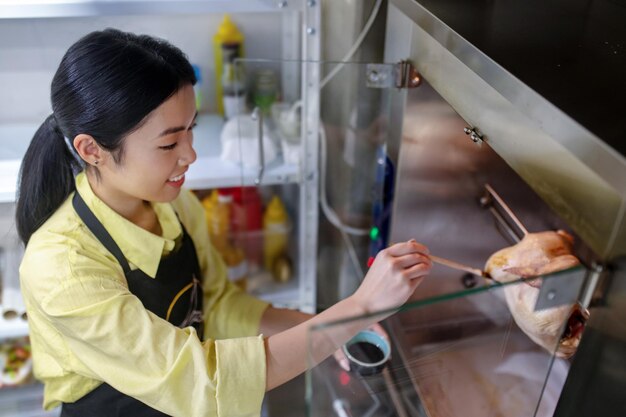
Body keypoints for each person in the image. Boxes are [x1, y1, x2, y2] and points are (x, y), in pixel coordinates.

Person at [16, 29, 432, 417]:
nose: (190, 155)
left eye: (191, 131)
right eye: (169, 143)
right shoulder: (62, 268)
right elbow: (201, 381)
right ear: (92, 150)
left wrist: (334, 326)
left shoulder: (173, 206)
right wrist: (358, 307)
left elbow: (217, 306)